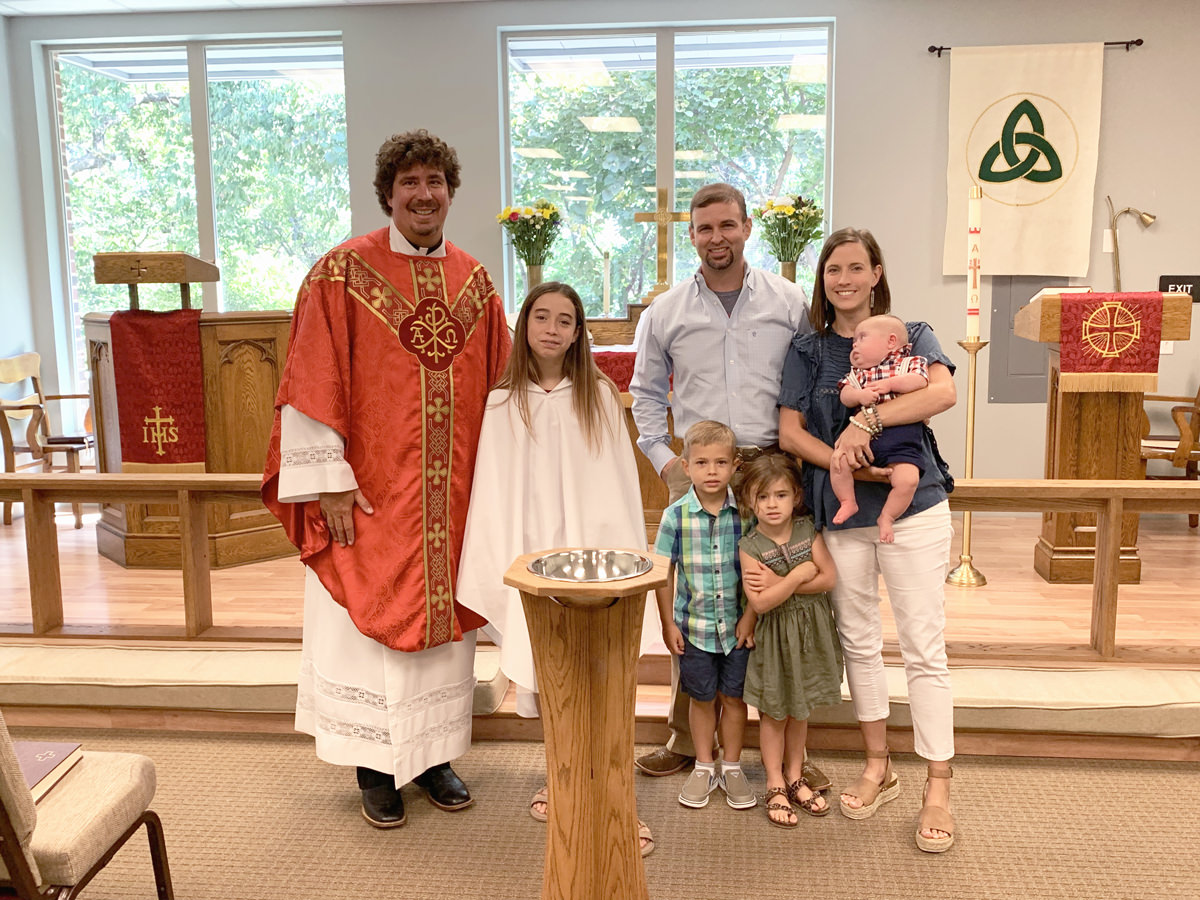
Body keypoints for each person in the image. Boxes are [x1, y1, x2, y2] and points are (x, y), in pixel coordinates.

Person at [261, 129, 511, 829]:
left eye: (435, 182)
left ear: (451, 193)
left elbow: (502, 382)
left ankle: (433, 758)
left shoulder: (473, 280)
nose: (424, 195)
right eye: (410, 183)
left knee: (442, 634)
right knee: (363, 630)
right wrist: (328, 480)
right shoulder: (341, 273)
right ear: (389, 194)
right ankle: (375, 767)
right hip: (369, 493)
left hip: (447, 496)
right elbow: (311, 375)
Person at [629, 182, 826, 792]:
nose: (717, 237)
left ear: (747, 228)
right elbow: (643, 397)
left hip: (770, 471)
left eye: (727, 225)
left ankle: (779, 746)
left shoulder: (787, 299)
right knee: (697, 596)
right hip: (701, 468)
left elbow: (810, 379)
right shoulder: (667, 311)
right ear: (692, 235)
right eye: (705, 228)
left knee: (767, 602)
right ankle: (687, 740)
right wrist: (668, 465)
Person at [455, 281, 656, 856]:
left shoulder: (595, 394)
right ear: (524, 325)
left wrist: (621, 566)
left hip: (594, 564)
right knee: (551, 676)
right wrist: (507, 564)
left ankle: (617, 792)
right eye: (540, 317)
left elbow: (616, 486)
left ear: (578, 331)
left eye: (564, 320)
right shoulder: (502, 402)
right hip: (533, 566)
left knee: (603, 672)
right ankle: (560, 775)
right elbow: (495, 496)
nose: (551, 328)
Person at [777, 227, 958, 852]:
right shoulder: (808, 347)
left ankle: (939, 782)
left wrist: (870, 420)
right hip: (845, 510)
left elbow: (942, 391)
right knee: (859, 640)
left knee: (922, 645)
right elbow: (790, 432)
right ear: (822, 280)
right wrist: (846, 459)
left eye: (856, 267)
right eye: (833, 270)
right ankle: (878, 764)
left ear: (876, 273)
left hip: (914, 509)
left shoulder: (915, 331)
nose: (844, 279)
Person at [653, 420, 757, 812]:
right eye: (701, 463)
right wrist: (667, 624)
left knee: (733, 698)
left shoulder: (745, 514)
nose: (711, 472)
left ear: (734, 466)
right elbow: (663, 573)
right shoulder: (675, 516)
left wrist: (751, 617)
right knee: (700, 698)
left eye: (720, 463)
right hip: (693, 629)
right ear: (685, 466)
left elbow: (757, 571)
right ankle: (703, 763)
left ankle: (731, 765)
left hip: (737, 628)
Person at [736, 454, 843, 828]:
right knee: (775, 712)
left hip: (810, 636)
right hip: (775, 639)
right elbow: (762, 602)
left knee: (800, 709)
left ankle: (795, 775)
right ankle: (774, 781)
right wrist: (797, 575)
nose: (771, 504)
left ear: (795, 496)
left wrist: (781, 584)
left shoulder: (806, 531)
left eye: (780, 495)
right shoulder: (750, 546)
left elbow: (829, 578)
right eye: (762, 497)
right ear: (750, 501)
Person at [830, 314, 931, 541]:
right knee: (838, 462)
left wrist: (890, 384)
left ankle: (887, 516)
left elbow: (920, 381)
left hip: (901, 438)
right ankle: (848, 501)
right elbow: (845, 395)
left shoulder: (909, 363)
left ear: (891, 341)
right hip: (862, 442)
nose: (854, 344)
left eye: (862, 338)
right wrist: (859, 395)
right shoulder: (858, 375)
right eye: (854, 341)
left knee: (908, 480)